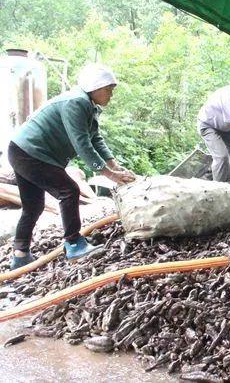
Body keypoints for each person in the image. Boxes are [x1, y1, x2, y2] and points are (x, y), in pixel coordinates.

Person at [8, 64, 136, 270]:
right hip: (29, 153)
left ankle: (20, 255)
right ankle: (74, 244)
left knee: (33, 206)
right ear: (94, 87)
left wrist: (115, 166)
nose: (111, 95)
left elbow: (96, 139)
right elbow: (82, 143)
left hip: (23, 151)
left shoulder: (88, 105)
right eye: (108, 90)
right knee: (69, 190)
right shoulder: (76, 102)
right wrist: (109, 175)